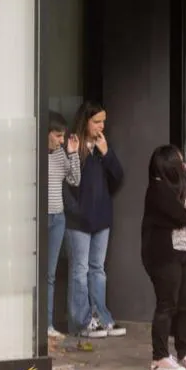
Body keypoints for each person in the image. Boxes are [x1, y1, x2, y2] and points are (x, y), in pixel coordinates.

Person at [142, 144, 186, 370]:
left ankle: (185, 352)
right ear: (169, 166)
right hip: (164, 255)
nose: (185, 166)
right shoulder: (158, 190)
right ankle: (159, 357)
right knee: (167, 303)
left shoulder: (183, 187)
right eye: (180, 163)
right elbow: (183, 216)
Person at [63, 102, 126, 340]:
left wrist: (107, 153)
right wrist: (74, 209)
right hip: (78, 220)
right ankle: (82, 321)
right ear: (85, 121)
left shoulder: (102, 147)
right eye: (97, 121)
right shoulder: (73, 145)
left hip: (102, 218)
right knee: (79, 270)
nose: (101, 126)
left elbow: (118, 177)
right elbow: (67, 180)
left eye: (103, 121)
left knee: (97, 270)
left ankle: (101, 316)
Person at [47, 111, 80, 339]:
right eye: (58, 136)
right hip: (38, 218)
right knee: (36, 276)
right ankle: (37, 326)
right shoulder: (37, 153)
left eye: (62, 136)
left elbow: (75, 180)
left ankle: (47, 325)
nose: (61, 140)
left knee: (49, 275)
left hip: (57, 218)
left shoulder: (60, 154)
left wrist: (73, 154)